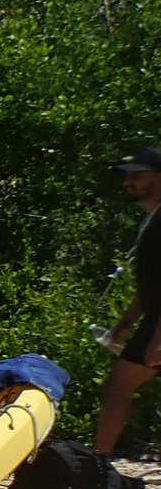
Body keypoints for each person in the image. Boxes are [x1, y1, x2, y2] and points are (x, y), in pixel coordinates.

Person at [95, 145, 161, 455]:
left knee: (117, 387)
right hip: (153, 319)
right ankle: (100, 460)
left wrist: (159, 336)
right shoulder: (152, 220)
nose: (128, 182)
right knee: (117, 388)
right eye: (127, 176)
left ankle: (99, 463)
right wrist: (123, 325)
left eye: (137, 175)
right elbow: (150, 283)